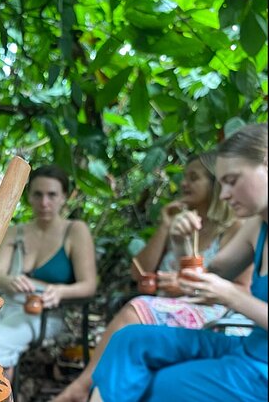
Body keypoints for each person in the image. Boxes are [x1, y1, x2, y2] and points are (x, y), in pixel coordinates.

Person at [90, 123, 268, 401]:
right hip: (247, 347)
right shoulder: (257, 226)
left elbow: (228, 291)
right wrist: (181, 240)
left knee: (160, 385)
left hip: (262, 368)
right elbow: (208, 276)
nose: (224, 195)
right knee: (130, 340)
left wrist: (231, 295)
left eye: (232, 181)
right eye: (221, 185)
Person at [54, 152, 251, 402]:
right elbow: (139, 273)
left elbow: (241, 288)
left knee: (135, 310)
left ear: (215, 185)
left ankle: (80, 389)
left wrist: (185, 287)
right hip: (167, 307)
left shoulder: (235, 229)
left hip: (210, 311)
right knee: (136, 317)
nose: (184, 184)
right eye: (184, 177)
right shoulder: (179, 223)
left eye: (194, 178)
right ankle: (86, 389)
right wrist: (166, 227)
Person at [0, 165, 97, 379]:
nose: (44, 202)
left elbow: (88, 285)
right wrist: (10, 281)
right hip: (6, 306)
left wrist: (60, 292)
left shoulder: (75, 231)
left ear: (64, 197)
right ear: (29, 197)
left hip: (44, 314)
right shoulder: (15, 232)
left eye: (52, 195)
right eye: (38, 194)